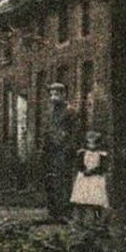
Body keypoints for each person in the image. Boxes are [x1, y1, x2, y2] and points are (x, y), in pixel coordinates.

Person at [42, 82, 76, 222]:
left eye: (56, 94)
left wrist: (68, 148)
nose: (53, 97)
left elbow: (75, 132)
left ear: (63, 95)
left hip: (63, 151)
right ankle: (53, 211)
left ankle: (65, 212)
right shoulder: (50, 112)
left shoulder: (70, 111)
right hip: (50, 151)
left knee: (64, 180)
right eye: (51, 94)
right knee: (51, 179)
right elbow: (47, 130)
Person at [70, 129, 110, 224]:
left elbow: (103, 166)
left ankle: (97, 219)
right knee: (81, 199)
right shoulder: (82, 152)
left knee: (96, 200)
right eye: (89, 139)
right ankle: (80, 219)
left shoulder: (102, 154)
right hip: (84, 177)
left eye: (93, 139)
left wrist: (93, 171)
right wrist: (84, 170)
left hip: (96, 178)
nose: (91, 141)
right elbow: (79, 164)